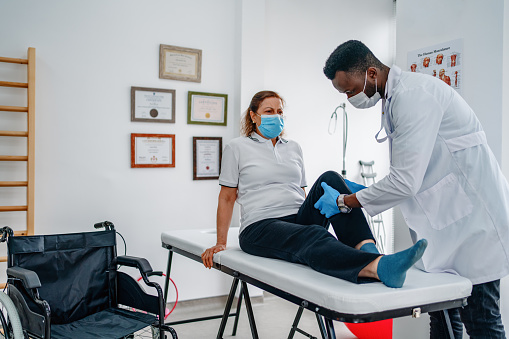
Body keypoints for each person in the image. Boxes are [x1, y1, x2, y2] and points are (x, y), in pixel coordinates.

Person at [322, 40, 509, 338]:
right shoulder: (394, 99)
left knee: (480, 319)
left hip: (475, 228)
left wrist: (348, 201)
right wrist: (362, 193)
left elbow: (406, 181)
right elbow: (414, 170)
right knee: (443, 316)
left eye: (349, 90)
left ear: (371, 73)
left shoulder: (415, 95)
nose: (349, 98)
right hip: (445, 227)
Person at [201, 90, 427, 289]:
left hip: (297, 216)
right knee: (313, 234)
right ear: (253, 115)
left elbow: (302, 192)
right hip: (260, 226)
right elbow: (227, 197)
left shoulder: (293, 148)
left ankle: (369, 251)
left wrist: (316, 214)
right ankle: (377, 267)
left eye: (279, 111)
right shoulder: (237, 147)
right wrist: (221, 242)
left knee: (331, 179)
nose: (276, 116)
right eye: (269, 111)